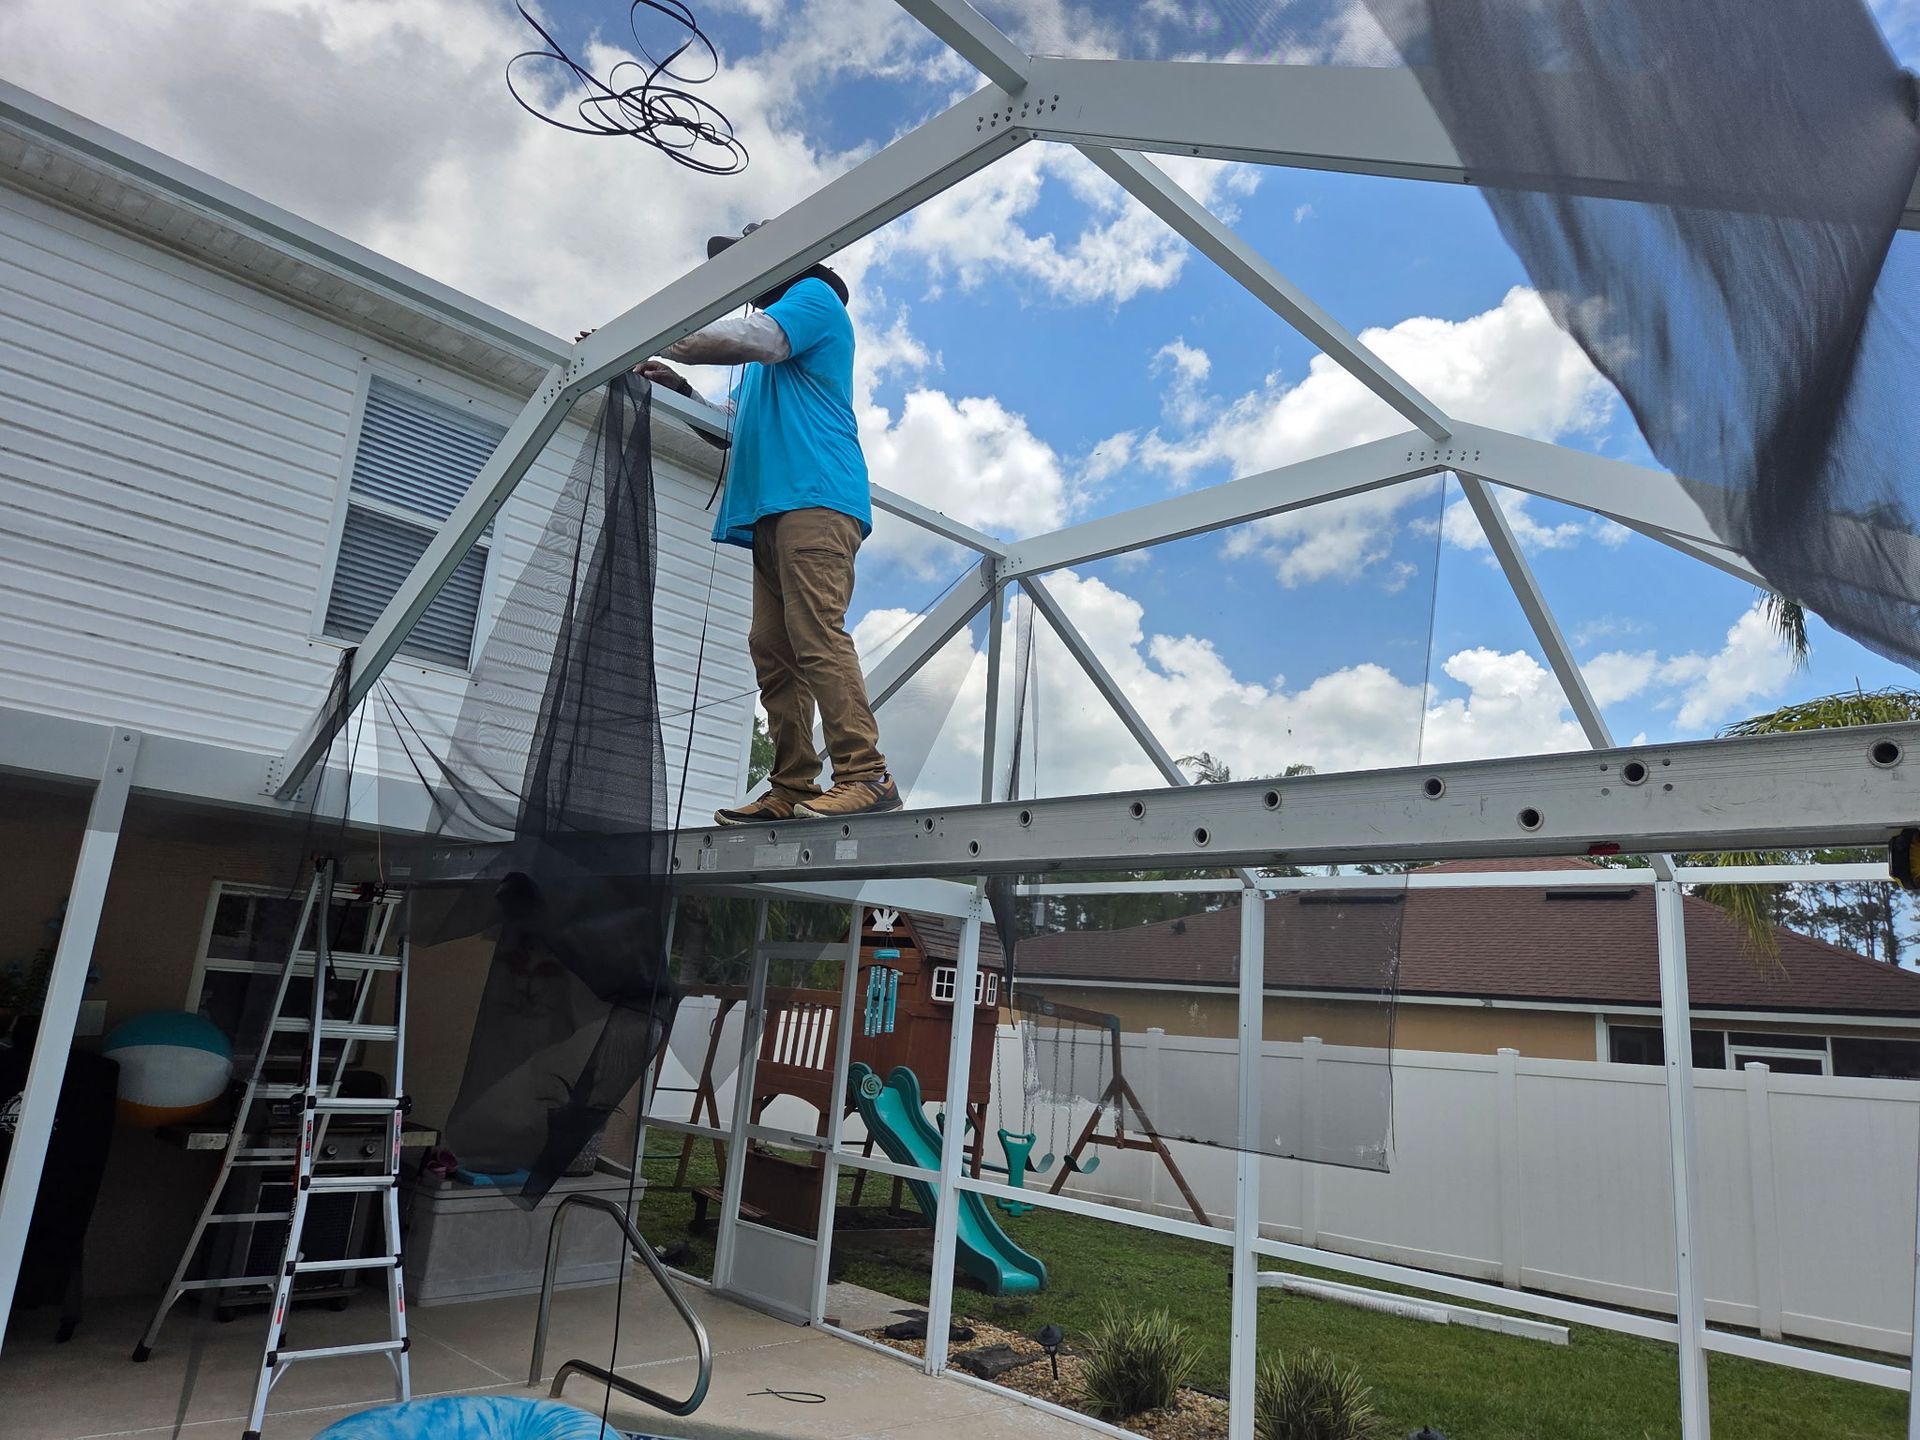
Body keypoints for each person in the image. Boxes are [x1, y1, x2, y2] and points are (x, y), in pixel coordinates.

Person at [639, 224, 900, 825]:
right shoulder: (763, 362)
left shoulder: (812, 298)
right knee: (774, 648)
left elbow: (758, 337)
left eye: (751, 263)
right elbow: (735, 430)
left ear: (786, 258)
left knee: (815, 633)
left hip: (815, 498)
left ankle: (867, 775)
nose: (744, 281)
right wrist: (681, 388)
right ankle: (794, 787)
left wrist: (663, 336)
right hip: (772, 510)